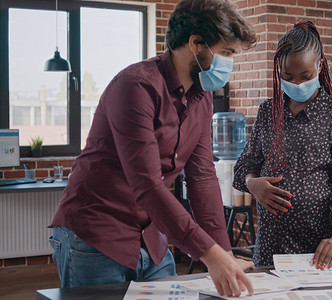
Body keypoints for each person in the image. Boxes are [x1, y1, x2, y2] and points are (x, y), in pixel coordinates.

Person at [48, 0, 256, 297]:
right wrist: (210, 254)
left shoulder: (203, 96)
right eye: (226, 53)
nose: (230, 63)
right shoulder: (135, 87)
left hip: (151, 236)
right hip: (95, 233)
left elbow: (202, 179)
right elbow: (147, 185)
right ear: (196, 43)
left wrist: (223, 252)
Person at [233, 20, 332, 269]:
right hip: (270, 245)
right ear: (278, 73)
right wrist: (253, 184)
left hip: (317, 247)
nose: (297, 83)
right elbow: (245, 166)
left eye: (306, 76)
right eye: (287, 77)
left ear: (320, 66)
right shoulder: (267, 112)